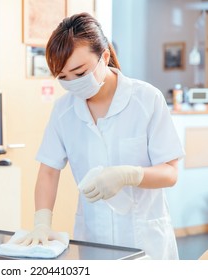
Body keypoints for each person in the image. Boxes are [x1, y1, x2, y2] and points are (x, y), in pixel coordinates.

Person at [18, 13, 184, 259]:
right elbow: (49, 171)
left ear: (104, 57)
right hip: (93, 240)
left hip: (145, 241)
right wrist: (42, 221)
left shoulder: (146, 100)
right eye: (63, 78)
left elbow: (170, 173)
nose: (73, 83)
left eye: (80, 72)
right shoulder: (64, 111)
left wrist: (129, 174)